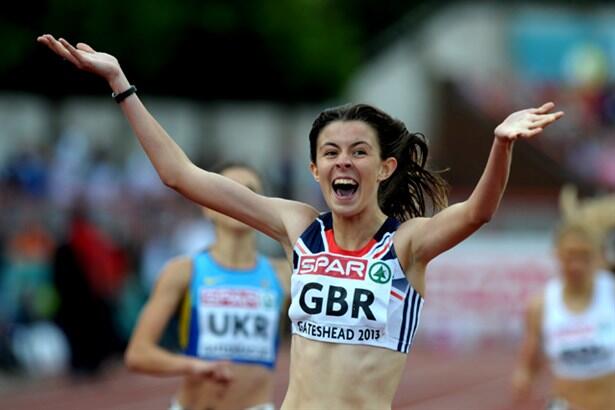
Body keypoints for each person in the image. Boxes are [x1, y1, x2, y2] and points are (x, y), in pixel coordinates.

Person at [38, 34, 563, 409]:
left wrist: (500, 146)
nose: (343, 162)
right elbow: (181, 176)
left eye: (359, 151)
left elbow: (478, 212)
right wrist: (119, 81)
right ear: (314, 170)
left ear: (385, 167)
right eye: (330, 152)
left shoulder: (407, 244)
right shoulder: (300, 228)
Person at [124, 163, 290, 410]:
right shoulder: (183, 272)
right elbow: (138, 353)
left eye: (250, 192)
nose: (239, 200)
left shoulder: (285, 275)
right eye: (227, 191)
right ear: (207, 208)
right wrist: (194, 365)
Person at [512, 223, 615, 410]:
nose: (576, 265)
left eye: (584, 255)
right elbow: (530, 360)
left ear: (598, 256)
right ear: (557, 255)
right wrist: (524, 376)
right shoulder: (541, 305)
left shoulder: (611, 293)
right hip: (566, 404)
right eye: (570, 256)